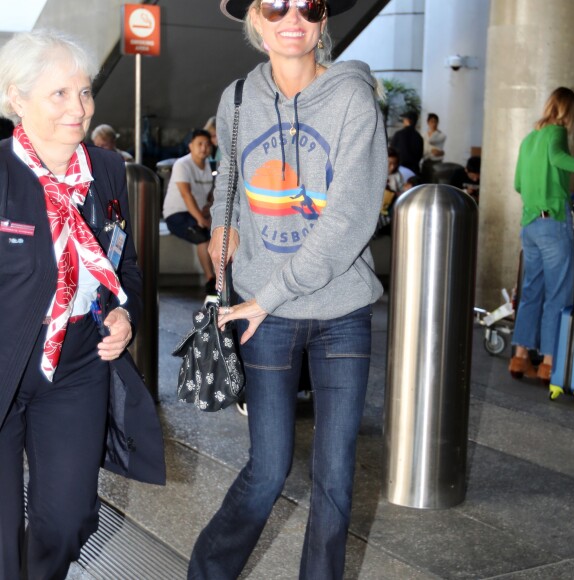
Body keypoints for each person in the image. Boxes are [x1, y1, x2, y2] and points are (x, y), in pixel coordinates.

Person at [188, 0, 387, 578]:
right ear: (254, 20)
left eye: (309, 4)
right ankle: (207, 570)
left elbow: (349, 218)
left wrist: (267, 295)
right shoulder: (238, 99)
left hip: (339, 310)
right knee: (268, 467)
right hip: (259, 312)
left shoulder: (352, 98)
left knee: (334, 477)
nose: (291, 17)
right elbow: (228, 181)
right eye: (275, 6)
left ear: (324, 20)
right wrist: (223, 274)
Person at [0, 30, 165, 579]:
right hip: (4, 363)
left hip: (76, 364)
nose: (79, 108)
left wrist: (125, 313)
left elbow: (126, 268)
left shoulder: (108, 171)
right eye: (59, 94)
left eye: (86, 92)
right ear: (16, 99)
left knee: (68, 519)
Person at [509, 87, 574, 382]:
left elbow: (517, 183)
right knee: (558, 294)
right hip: (553, 221)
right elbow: (559, 158)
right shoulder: (557, 133)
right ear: (568, 111)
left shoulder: (528, 139)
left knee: (531, 292)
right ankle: (549, 362)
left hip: (530, 224)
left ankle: (520, 357)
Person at [162, 128, 216, 294]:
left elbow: (210, 195)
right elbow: (186, 194)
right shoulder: (182, 164)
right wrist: (201, 219)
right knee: (202, 236)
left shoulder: (209, 166)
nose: (203, 148)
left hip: (198, 212)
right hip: (177, 214)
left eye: (207, 144)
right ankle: (211, 281)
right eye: (199, 144)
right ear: (190, 146)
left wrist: (208, 207)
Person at [390, 109, 423, 175]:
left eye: (404, 119)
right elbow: (420, 156)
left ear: (408, 121)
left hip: (399, 171)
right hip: (414, 171)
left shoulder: (399, 134)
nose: (403, 121)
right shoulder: (419, 137)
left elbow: (391, 152)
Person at [421, 112, 446, 182]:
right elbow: (426, 149)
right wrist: (431, 151)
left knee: (434, 181)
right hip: (426, 161)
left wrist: (440, 152)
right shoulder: (423, 135)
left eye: (435, 122)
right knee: (425, 181)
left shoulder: (441, 135)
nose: (434, 124)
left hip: (436, 162)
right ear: (428, 122)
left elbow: (431, 141)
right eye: (432, 122)